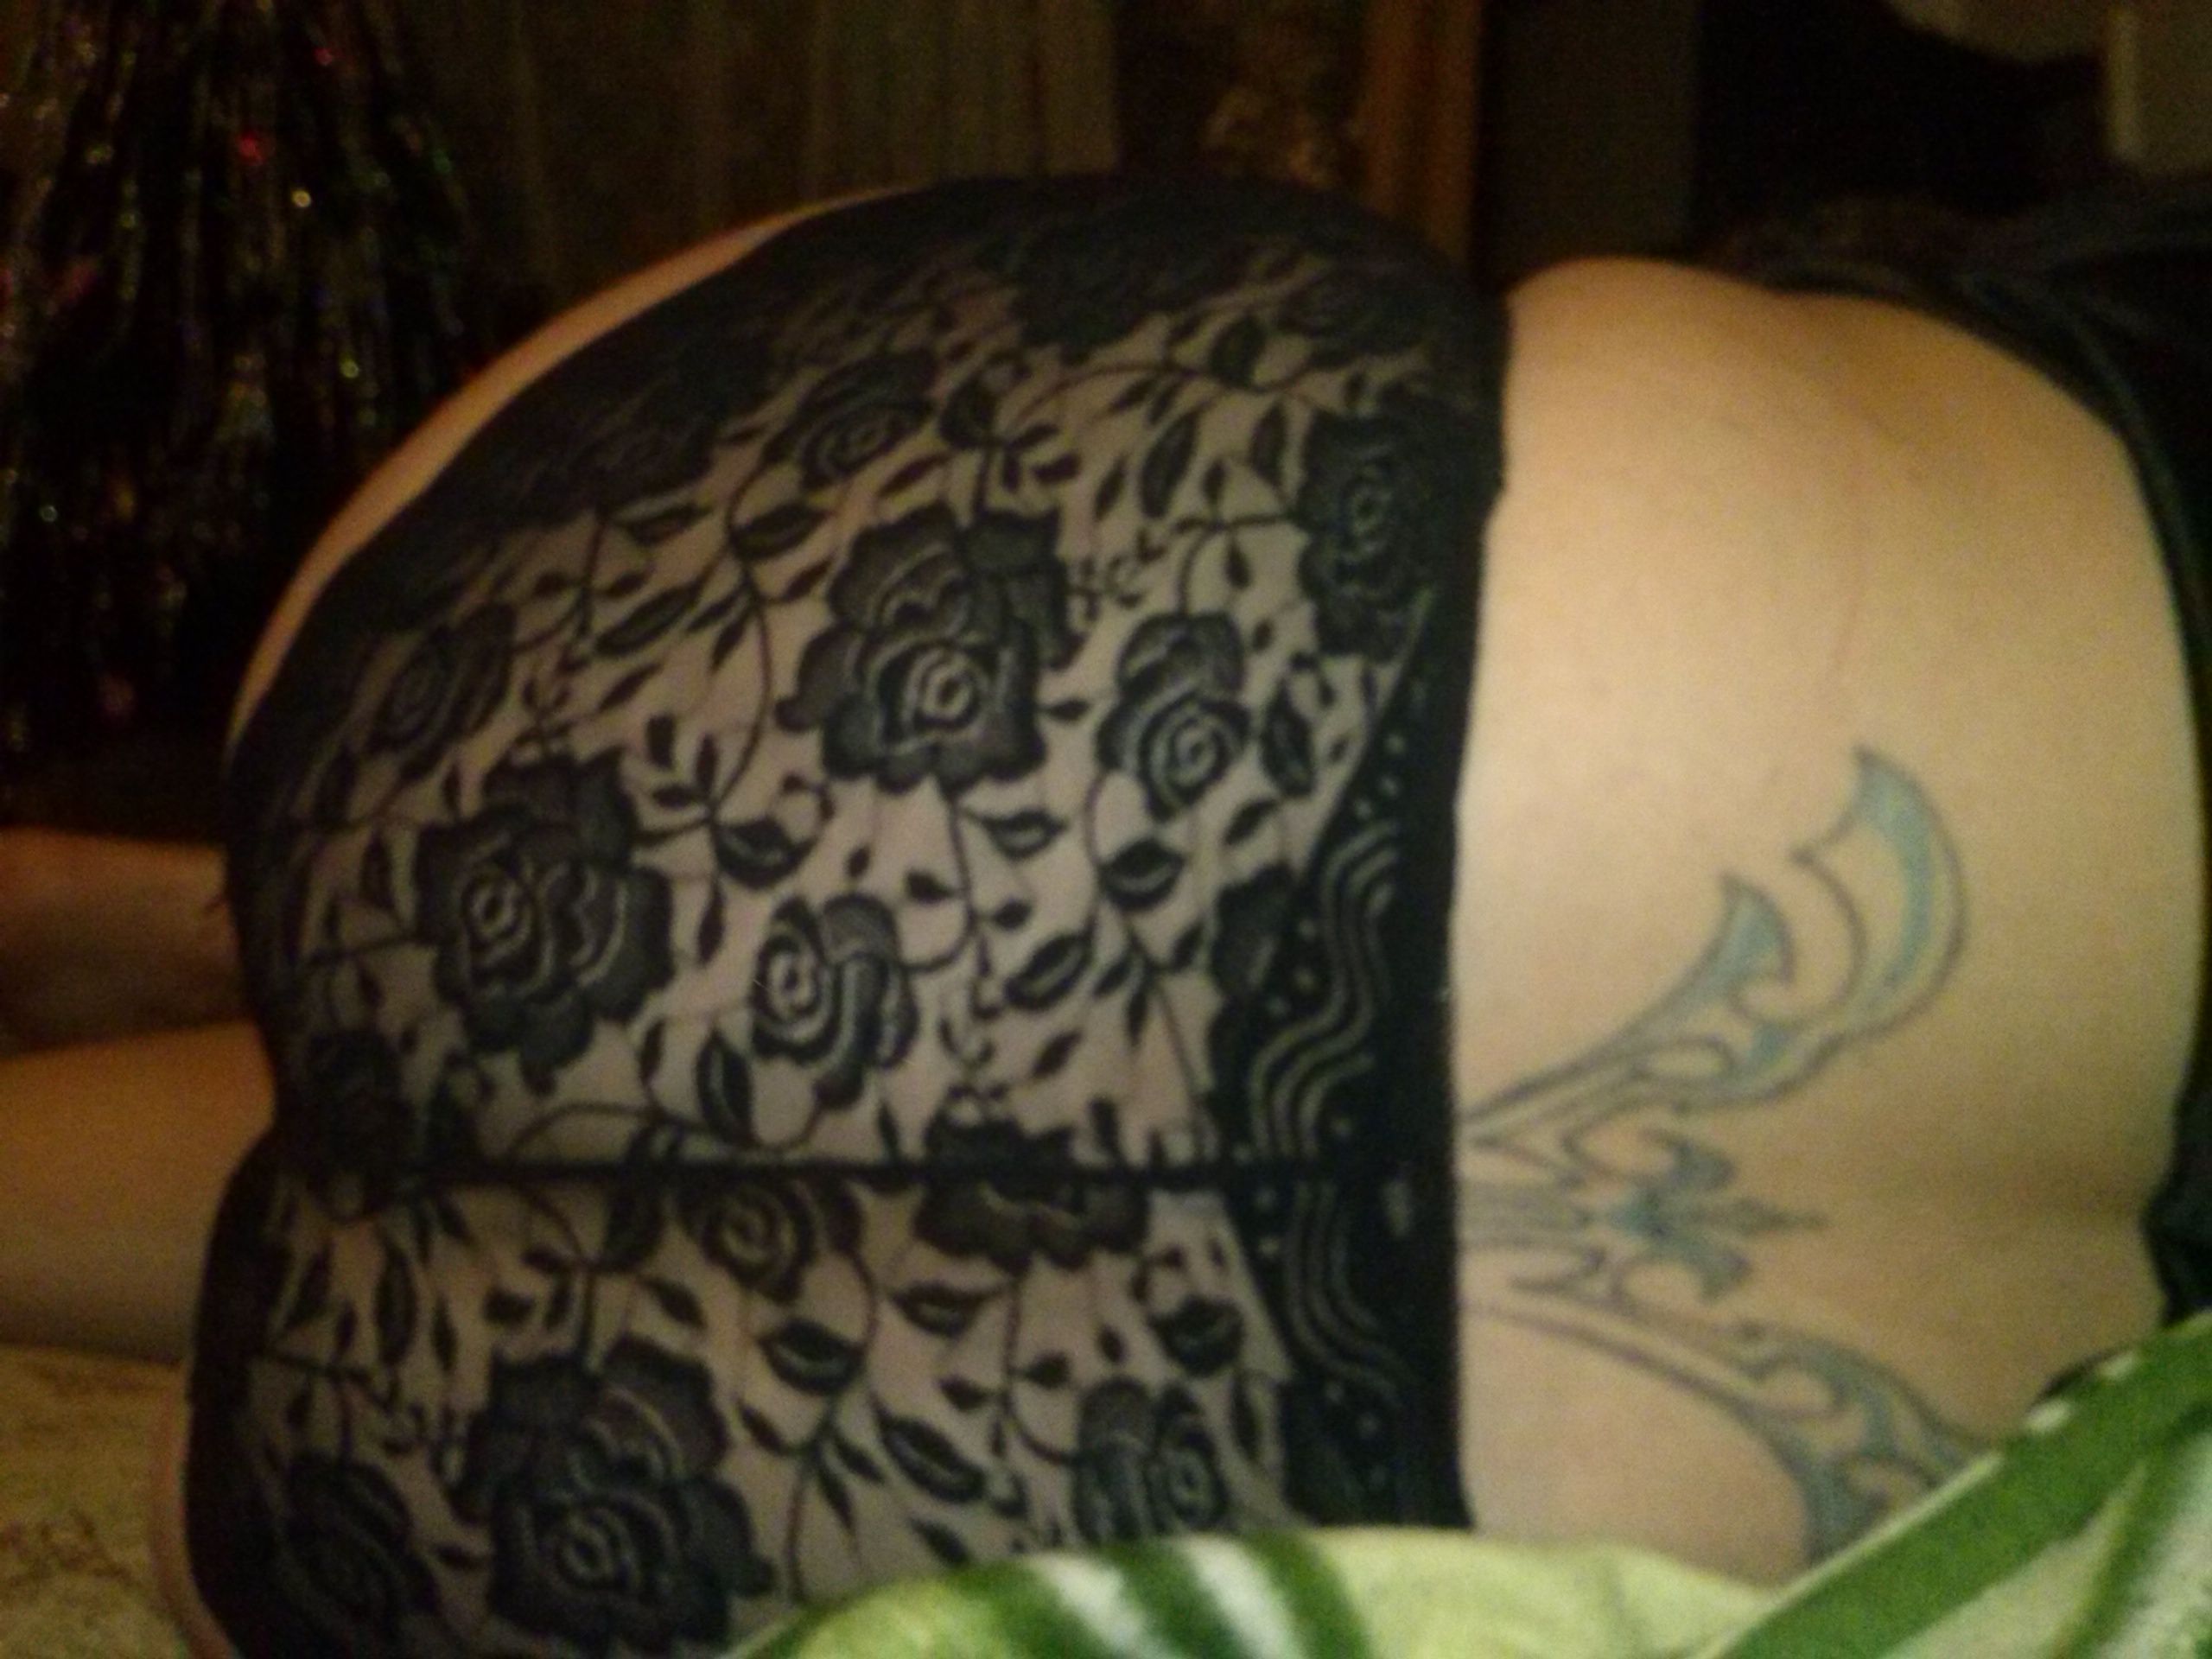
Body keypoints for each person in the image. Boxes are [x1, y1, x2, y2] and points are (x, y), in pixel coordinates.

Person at [0, 175, 2202, 1656]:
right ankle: (234, 944)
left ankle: (229, 926)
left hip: (1016, 530)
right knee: (713, 1121)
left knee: (640, 1042)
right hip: (1084, 1438)